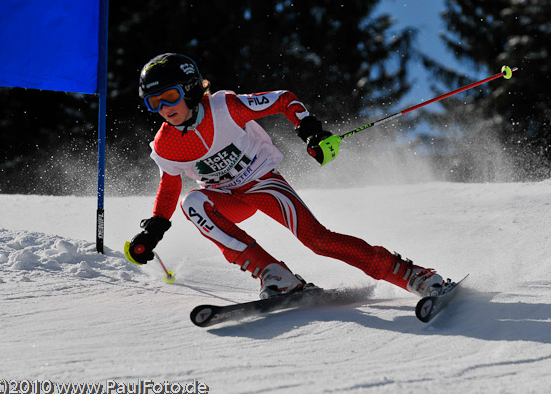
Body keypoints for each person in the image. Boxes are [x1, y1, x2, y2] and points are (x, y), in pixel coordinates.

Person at [124, 53, 446, 299]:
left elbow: (283, 99)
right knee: (191, 201)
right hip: (227, 199)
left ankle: (412, 275)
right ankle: (275, 275)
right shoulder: (166, 144)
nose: (164, 107)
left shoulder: (225, 107)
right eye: (154, 102)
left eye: (170, 96)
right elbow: (170, 185)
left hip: (263, 183)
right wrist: (154, 230)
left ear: (191, 89)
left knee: (318, 240)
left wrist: (310, 131)